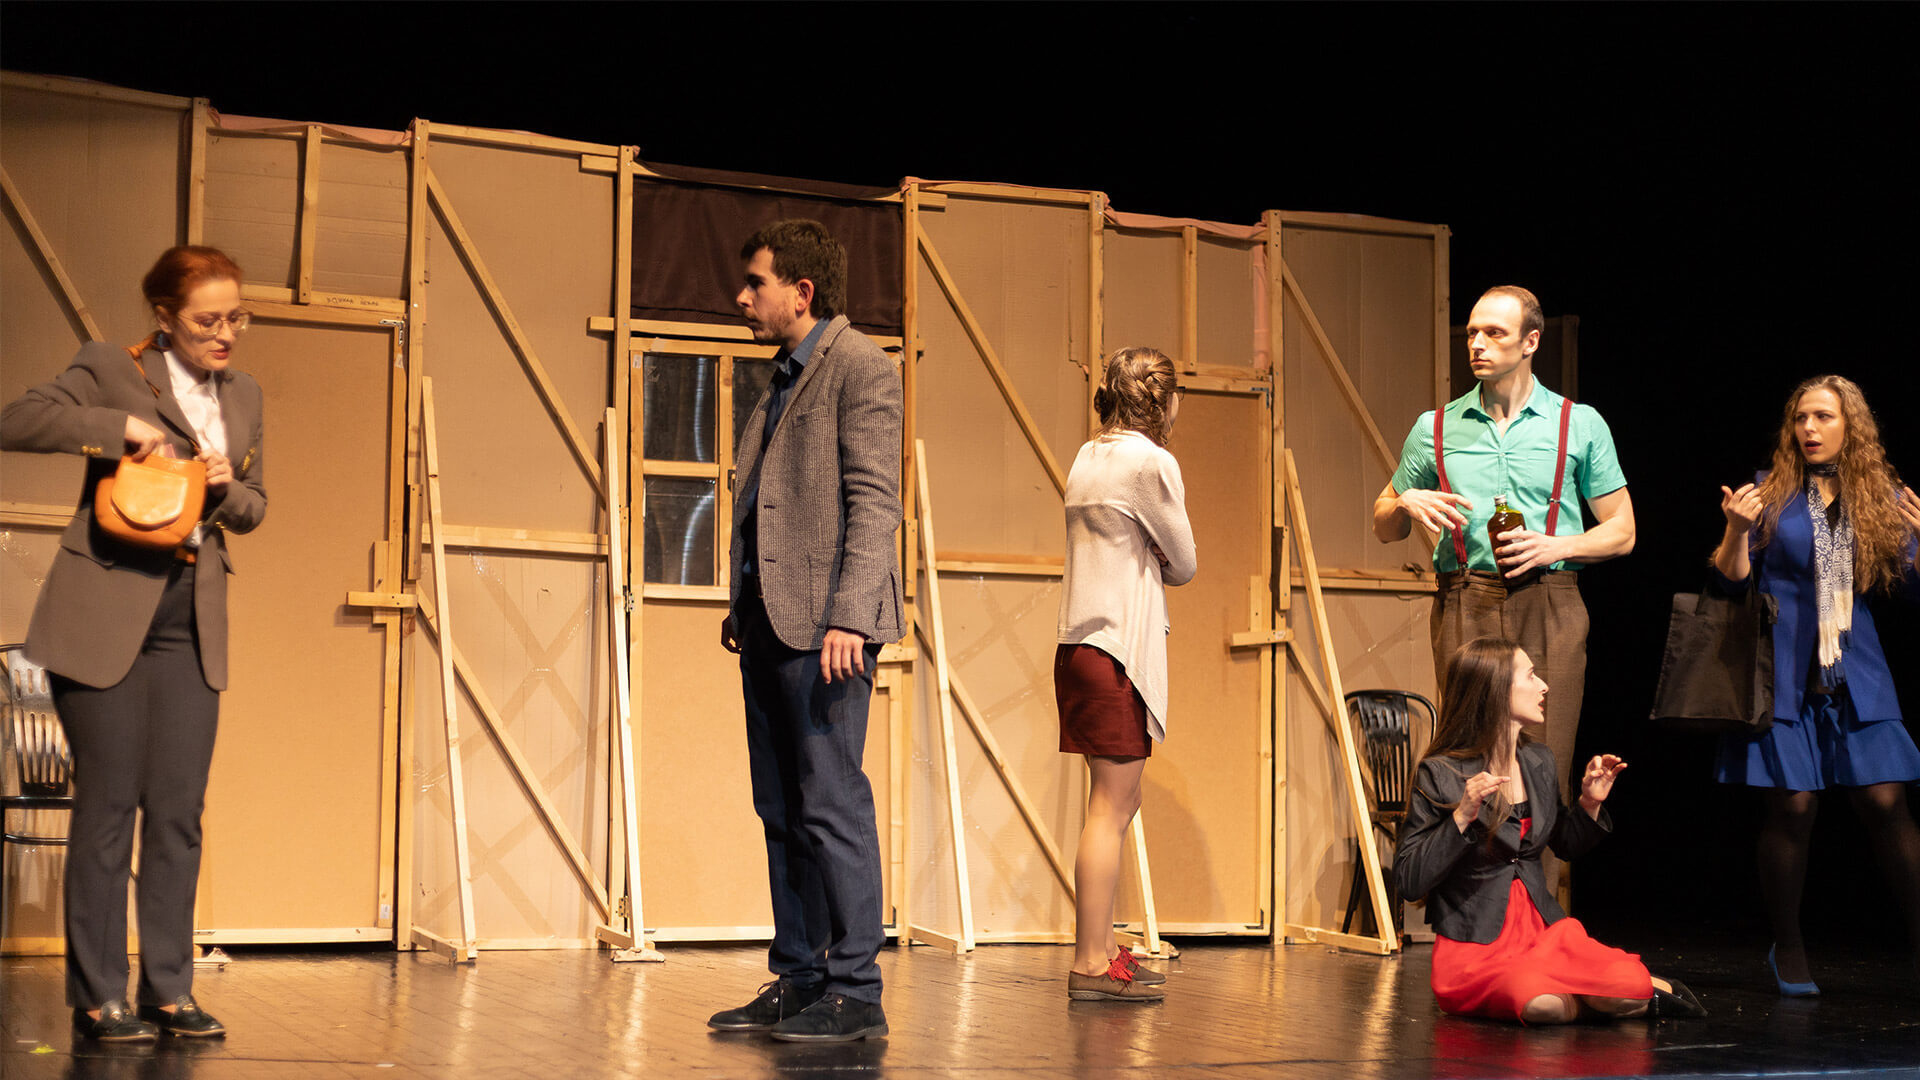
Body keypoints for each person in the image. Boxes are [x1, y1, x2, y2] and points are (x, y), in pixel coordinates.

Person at [1, 246, 266, 1042]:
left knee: (179, 810)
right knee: (110, 805)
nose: (225, 334)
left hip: (190, 615)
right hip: (107, 604)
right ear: (165, 316)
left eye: (236, 318)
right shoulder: (111, 367)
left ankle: (169, 989)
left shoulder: (244, 394)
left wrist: (226, 487)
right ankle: (98, 996)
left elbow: (256, 507)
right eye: (208, 320)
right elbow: (15, 421)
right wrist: (112, 428)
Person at [706, 220, 903, 1042]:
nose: (743, 297)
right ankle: (800, 976)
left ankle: (856, 989)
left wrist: (851, 614)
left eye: (756, 282)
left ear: (802, 290)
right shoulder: (780, 381)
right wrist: (742, 602)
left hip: (828, 630)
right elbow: (771, 503)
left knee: (831, 805)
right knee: (782, 810)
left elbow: (875, 501)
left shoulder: (860, 367)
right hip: (769, 625)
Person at [1373, 286, 1634, 891]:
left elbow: (1622, 531)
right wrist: (1403, 502)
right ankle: (1469, 910)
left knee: (1546, 759)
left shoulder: (1576, 423)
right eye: (1472, 332)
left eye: (1493, 333)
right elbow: (1384, 524)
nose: (1478, 344)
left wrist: (1557, 545)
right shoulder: (1435, 427)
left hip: (1549, 597)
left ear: (1531, 341)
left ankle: (1538, 909)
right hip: (1466, 594)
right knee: (1467, 755)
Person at [1711, 374, 1920, 994]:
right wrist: (1734, 530)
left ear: (1851, 426)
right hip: (1782, 668)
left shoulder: (1882, 498)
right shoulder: (1769, 492)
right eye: (1801, 417)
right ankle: (1790, 946)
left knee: (1886, 802)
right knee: (1794, 806)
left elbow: (1910, 588)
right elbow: (1729, 583)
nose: (1809, 428)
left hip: (1857, 668)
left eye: (1824, 417)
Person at [1394, 637, 1705, 1023]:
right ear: (1495, 690)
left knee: (1616, 982)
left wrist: (1589, 803)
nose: (1543, 685)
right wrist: (1462, 817)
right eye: (1530, 676)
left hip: (1543, 933)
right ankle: (1614, 999)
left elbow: (1565, 844)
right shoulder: (1441, 772)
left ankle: (1611, 994)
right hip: (1476, 945)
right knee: (1540, 1003)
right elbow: (1409, 880)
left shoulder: (1538, 760)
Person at [1055, 347, 1196, 1001]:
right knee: (1110, 807)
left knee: (1117, 801)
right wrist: (1157, 553)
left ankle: (1105, 947)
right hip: (1114, 648)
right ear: (1164, 401)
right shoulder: (1150, 461)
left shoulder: (1089, 456)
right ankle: (1090, 961)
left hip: (1080, 646)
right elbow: (1184, 561)